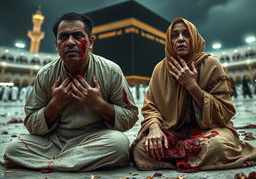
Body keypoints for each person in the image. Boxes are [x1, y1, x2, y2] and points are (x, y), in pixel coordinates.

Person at [2, 12, 138, 172]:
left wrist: (99, 104)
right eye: (64, 37)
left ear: (91, 42)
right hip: (54, 142)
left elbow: (130, 116)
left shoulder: (111, 71)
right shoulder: (46, 74)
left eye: (78, 36)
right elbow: (31, 122)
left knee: (119, 144)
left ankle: (51, 163)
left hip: (96, 139)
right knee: (13, 148)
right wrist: (55, 104)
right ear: (56, 44)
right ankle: (71, 162)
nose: (70, 42)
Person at [131, 17, 256, 172]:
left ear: (194, 37)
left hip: (210, 131)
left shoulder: (210, 64)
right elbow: (150, 106)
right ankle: (192, 156)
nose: (180, 39)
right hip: (174, 131)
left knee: (217, 146)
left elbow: (225, 112)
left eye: (186, 34)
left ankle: (177, 156)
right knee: (141, 150)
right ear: (169, 41)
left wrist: (192, 86)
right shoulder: (160, 69)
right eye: (175, 35)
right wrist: (155, 128)